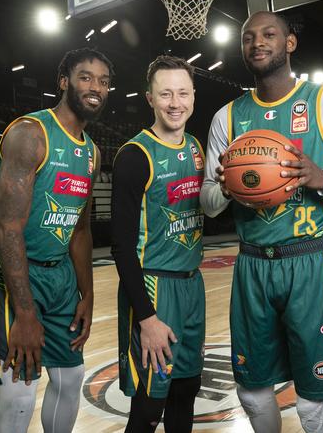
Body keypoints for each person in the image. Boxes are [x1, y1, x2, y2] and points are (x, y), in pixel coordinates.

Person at [200, 11, 323, 433]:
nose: (257, 42)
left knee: (311, 402)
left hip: (310, 262)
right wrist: (226, 189)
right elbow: (209, 205)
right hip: (251, 264)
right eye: (248, 37)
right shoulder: (226, 118)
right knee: (251, 390)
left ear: (289, 44)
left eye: (269, 34)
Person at [0, 47, 112, 432]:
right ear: (64, 82)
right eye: (86, 77)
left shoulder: (92, 153)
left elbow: (80, 230)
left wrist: (87, 294)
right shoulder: (30, 134)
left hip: (60, 274)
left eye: (104, 81)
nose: (96, 87)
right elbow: (9, 228)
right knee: (19, 393)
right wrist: (26, 314)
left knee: (70, 380)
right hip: (10, 270)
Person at [111, 55, 206, 433]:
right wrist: (147, 318)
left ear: (194, 95)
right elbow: (120, 247)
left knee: (186, 392)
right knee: (151, 405)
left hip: (191, 285)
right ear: (149, 98)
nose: (174, 102)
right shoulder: (135, 156)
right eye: (165, 93)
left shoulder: (197, 148)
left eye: (182, 93)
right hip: (154, 286)